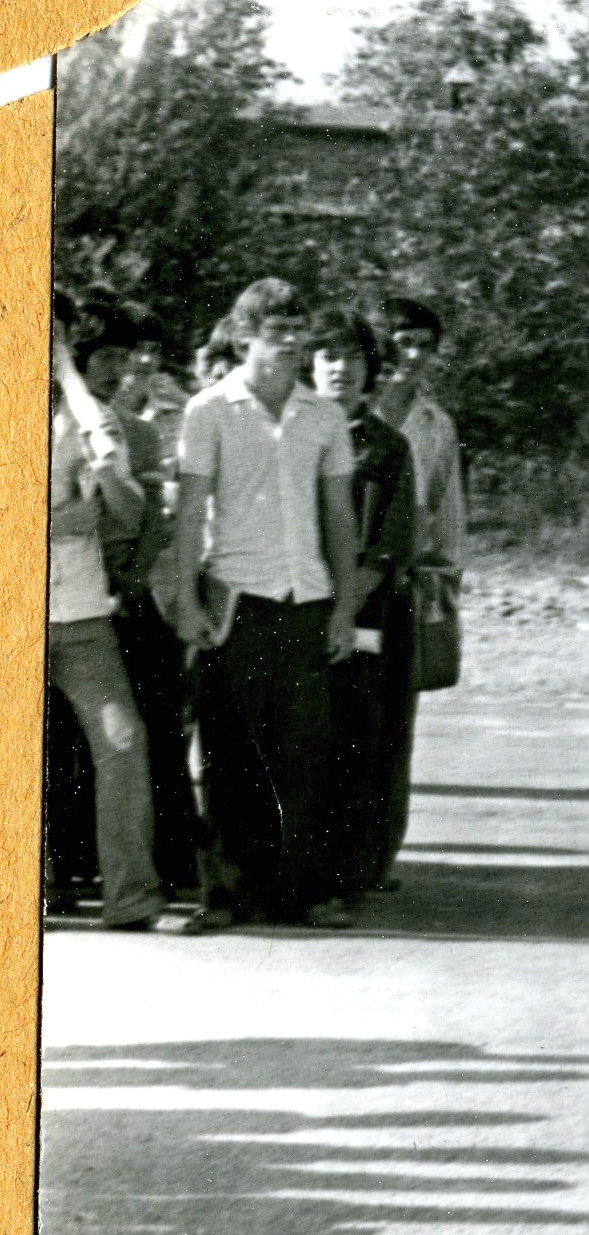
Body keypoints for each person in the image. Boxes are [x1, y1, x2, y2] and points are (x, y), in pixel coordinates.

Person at [163, 282, 363, 931]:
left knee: (306, 754)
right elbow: (191, 513)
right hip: (236, 601)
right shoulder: (208, 410)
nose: (291, 337)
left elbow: (338, 515)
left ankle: (301, 893)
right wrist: (189, 601)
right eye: (277, 326)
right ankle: (225, 897)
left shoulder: (325, 416)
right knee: (228, 755)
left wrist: (342, 608)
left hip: (306, 599)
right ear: (244, 333)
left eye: (297, 325)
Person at [47, 312, 168, 931]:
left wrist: (104, 489)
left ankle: (130, 900)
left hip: (82, 618)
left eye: (56, 336)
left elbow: (126, 511)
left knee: (124, 743)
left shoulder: (88, 417)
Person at [310, 312, 423, 899]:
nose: (341, 369)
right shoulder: (294, 435)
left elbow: (391, 546)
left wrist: (341, 607)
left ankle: (356, 870)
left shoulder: (386, 445)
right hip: (296, 608)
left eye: (353, 358)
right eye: (328, 356)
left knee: (364, 742)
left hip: (366, 614)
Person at [371, 297, 464, 885]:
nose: (413, 356)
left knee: (393, 726)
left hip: (405, 585)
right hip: (347, 585)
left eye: (424, 345)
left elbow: (448, 507)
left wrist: (447, 577)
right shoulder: (341, 414)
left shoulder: (436, 425)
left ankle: (380, 854)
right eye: (402, 341)